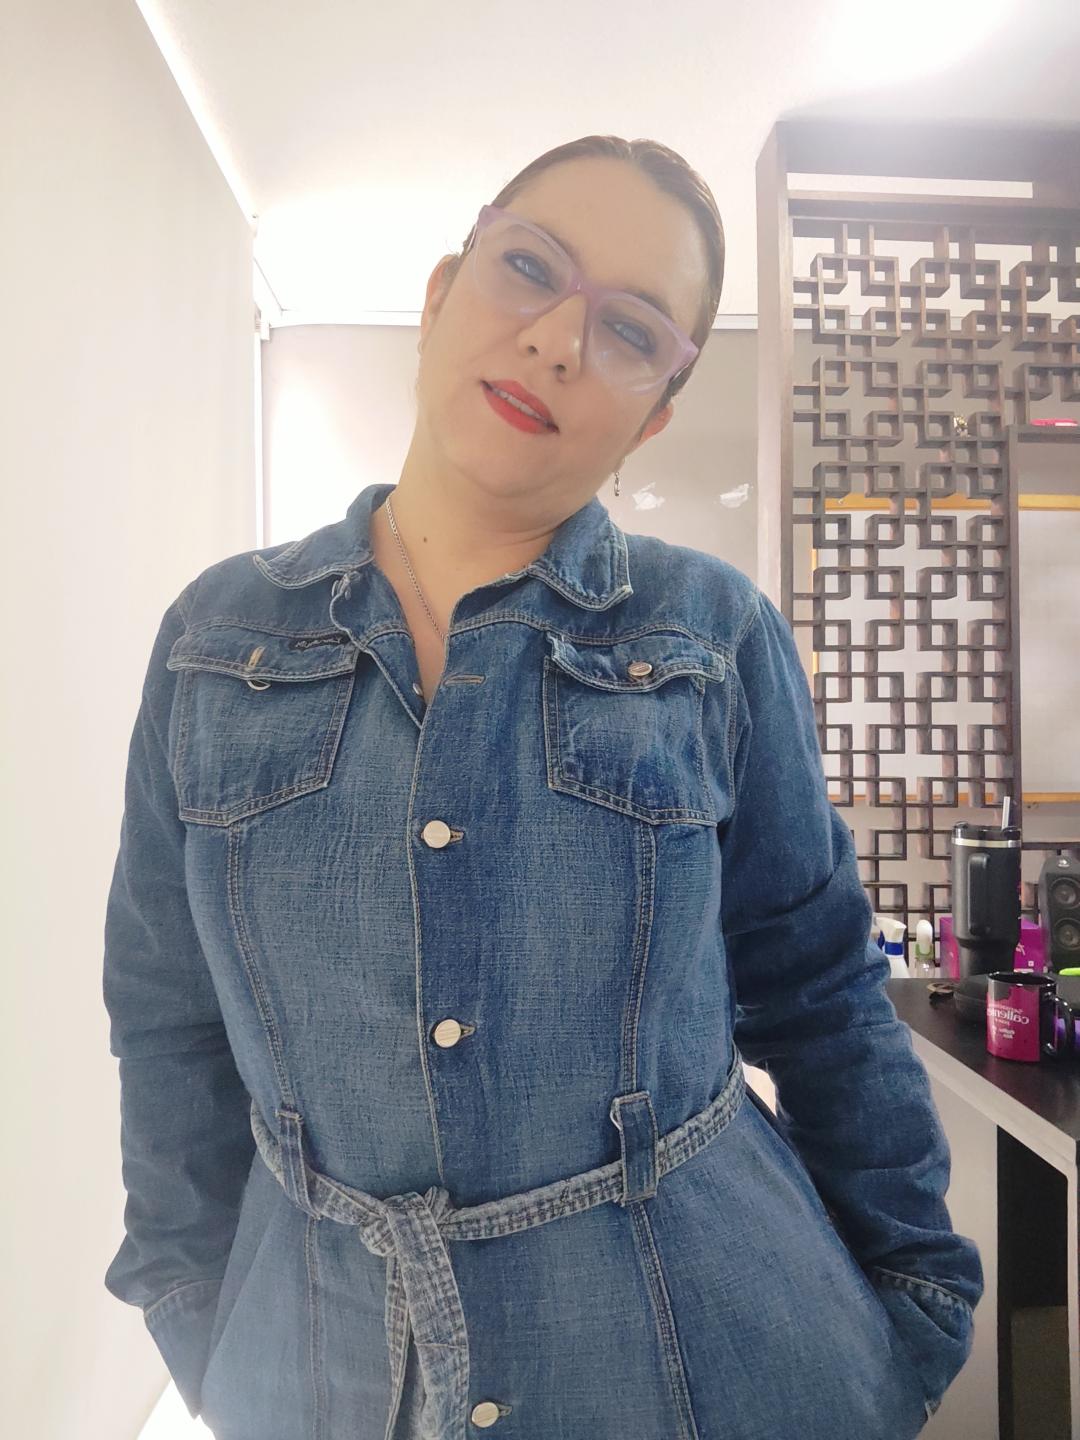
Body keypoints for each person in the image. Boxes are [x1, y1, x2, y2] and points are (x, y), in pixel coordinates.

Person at [102, 135, 983, 1440]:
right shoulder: (216, 640)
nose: (561, 342)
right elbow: (168, 1024)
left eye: (630, 331)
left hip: (705, 1365)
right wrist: (193, 1310)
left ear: (654, 413)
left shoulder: (712, 634)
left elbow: (820, 993)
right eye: (530, 269)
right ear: (443, 290)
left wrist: (914, 1296)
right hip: (325, 1380)